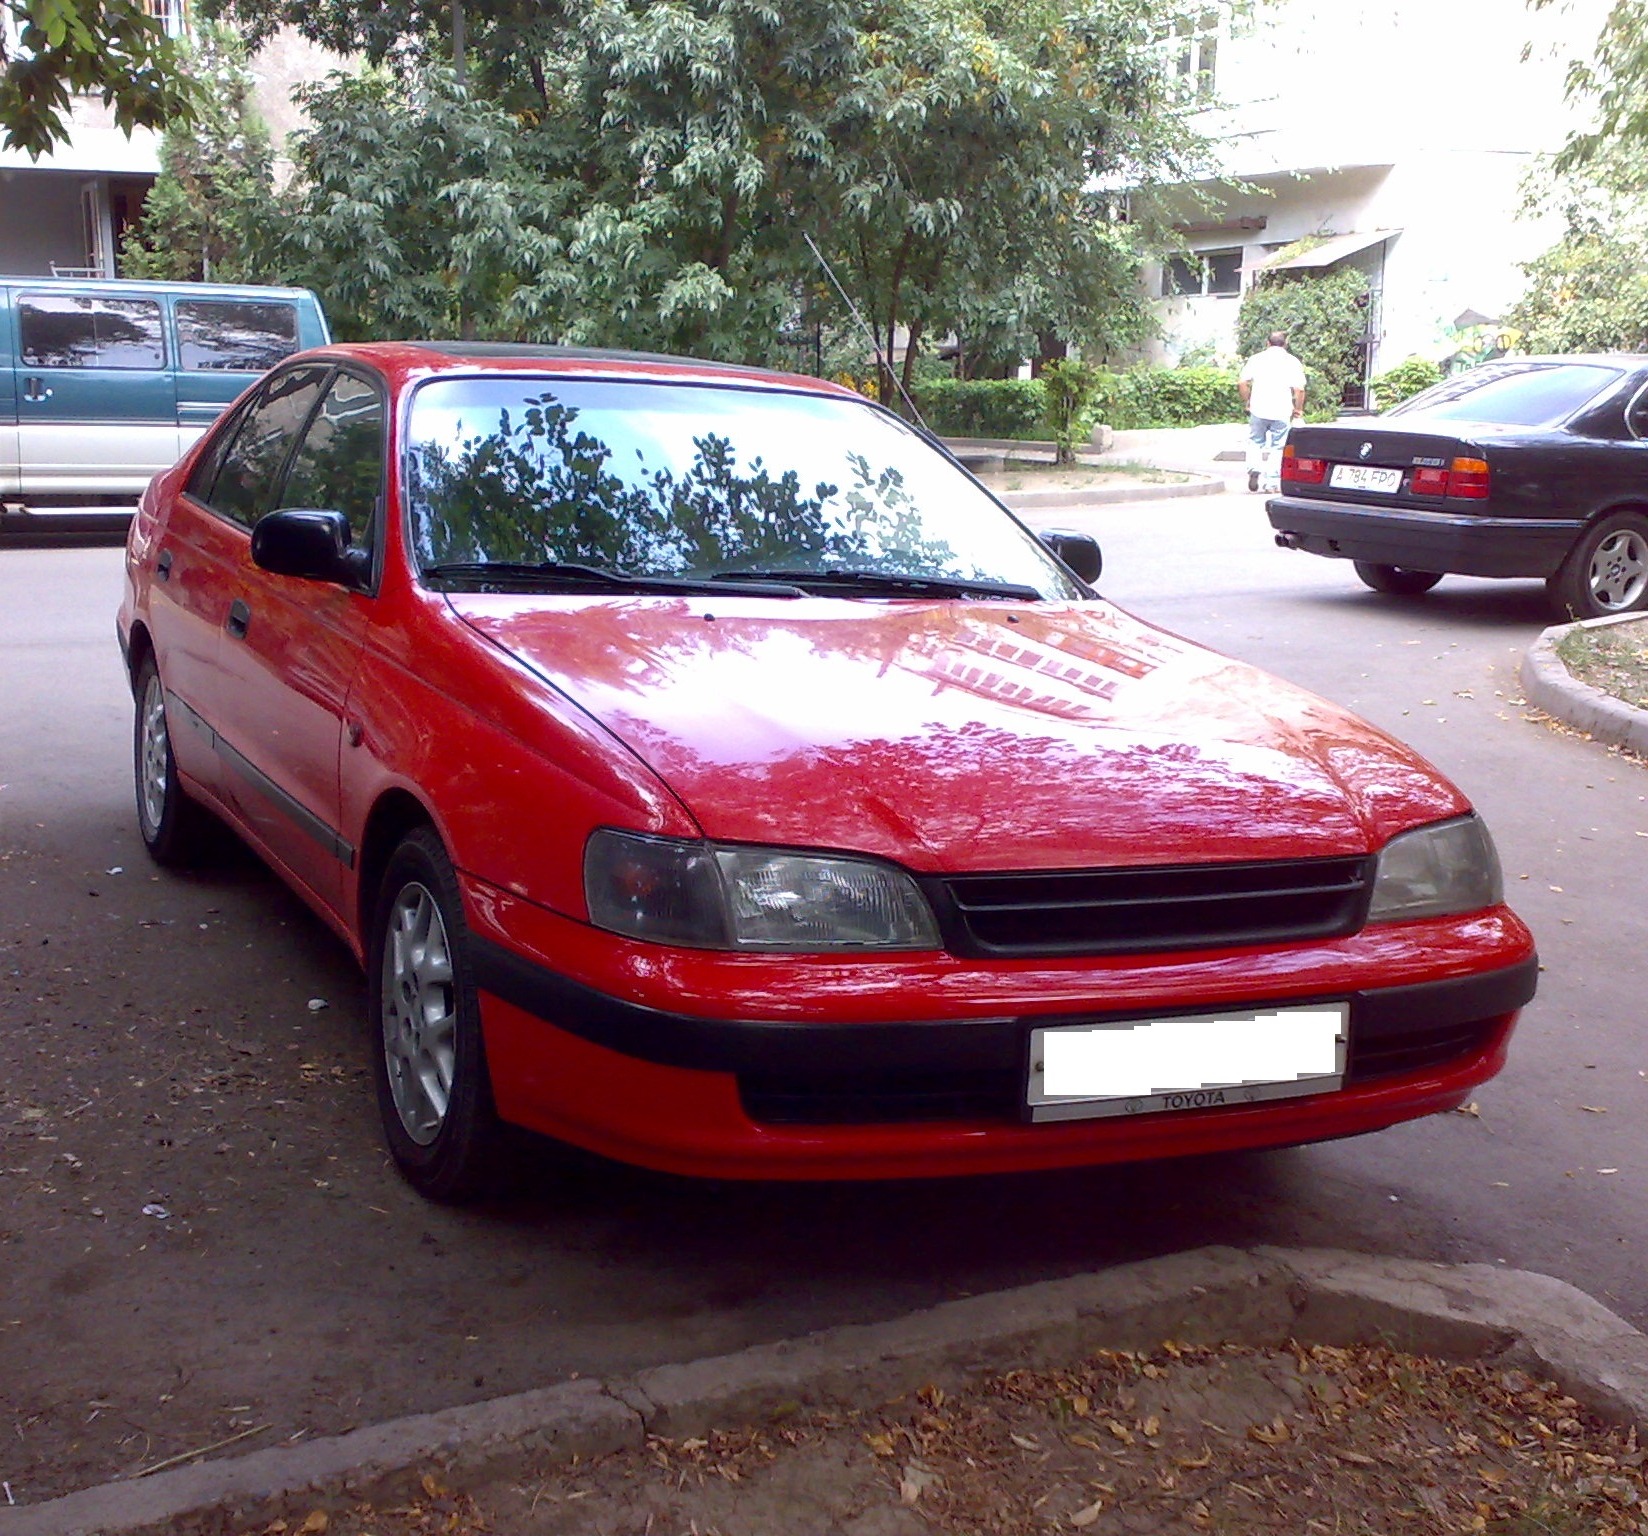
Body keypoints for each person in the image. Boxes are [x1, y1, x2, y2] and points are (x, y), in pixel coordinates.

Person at [1237, 331, 1307, 493]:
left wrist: (1247, 401)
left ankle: (1254, 469)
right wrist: (1298, 409)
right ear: (1285, 344)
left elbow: (1242, 382)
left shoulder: (1256, 359)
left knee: (1255, 441)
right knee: (1278, 447)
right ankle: (1272, 483)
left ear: (1267, 343)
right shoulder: (1292, 361)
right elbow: (1299, 390)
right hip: (1282, 410)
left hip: (1258, 408)